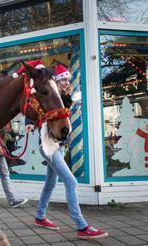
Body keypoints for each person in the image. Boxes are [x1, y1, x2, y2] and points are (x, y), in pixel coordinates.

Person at [26, 64, 108, 239]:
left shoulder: (64, 98)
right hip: (48, 145)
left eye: (68, 80)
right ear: (56, 80)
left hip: (60, 144)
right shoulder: (48, 95)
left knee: (51, 182)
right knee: (71, 182)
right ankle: (81, 226)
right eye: (63, 79)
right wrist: (28, 122)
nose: (66, 82)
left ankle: (40, 216)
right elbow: (32, 104)